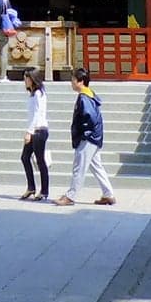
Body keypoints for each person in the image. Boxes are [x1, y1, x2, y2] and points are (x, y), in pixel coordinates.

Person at [57, 68, 116, 206]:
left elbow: (89, 117)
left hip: (88, 137)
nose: (71, 83)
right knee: (96, 166)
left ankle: (71, 196)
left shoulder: (84, 98)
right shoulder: (89, 95)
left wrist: (84, 133)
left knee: (79, 167)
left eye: (73, 80)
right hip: (94, 136)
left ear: (80, 82)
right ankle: (108, 194)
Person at [19, 71, 51, 201]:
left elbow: (37, 114)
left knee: (40, 160)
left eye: (26, 78)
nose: (25, 81)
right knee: (25, 157)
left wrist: (29, 131)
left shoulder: (38, 93)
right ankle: (31, 187)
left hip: (39, 130)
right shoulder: (32, 94)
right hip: (34, 129)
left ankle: (44, 190)